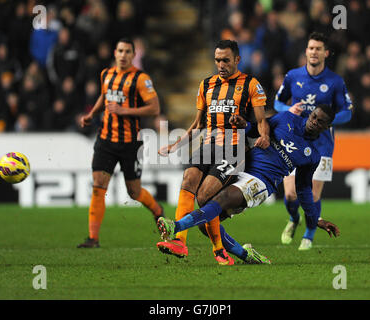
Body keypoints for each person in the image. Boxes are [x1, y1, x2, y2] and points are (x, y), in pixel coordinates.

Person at [157, 105, 341, 264]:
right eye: (314, 116)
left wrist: (316, 218)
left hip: (262, 182)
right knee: (206, 224)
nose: (314, 121)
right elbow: (257, 129)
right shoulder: (286, 118)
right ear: (310, 115)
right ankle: (246, 255)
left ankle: (176, 226)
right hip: (243, 164)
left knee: (224, 198)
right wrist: (245, 125)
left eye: (320, 121)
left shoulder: (313, 155)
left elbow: (303, 188)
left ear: (327, 126)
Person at [156, 40, 270, 264]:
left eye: (226, 60)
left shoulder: (250, 84)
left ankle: (220, 250)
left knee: (205, 197)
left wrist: (264, 136)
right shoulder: (206, 85)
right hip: (207, 145)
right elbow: (198, 124)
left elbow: (261, 120)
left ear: (237, 59)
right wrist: (175, 145)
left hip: (233, 150)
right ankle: (180, 242)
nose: (221, 64)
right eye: (217, 60)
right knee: (188, 179)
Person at [77, 38, 163, 248]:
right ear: (114, 53)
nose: (123, 55)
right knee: (99, 185)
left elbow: (154, 108)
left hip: (129, 143)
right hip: (105, 140)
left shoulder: (141, 79)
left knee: (133, 192)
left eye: (128, 52)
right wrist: (92, 114)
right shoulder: (106, 74)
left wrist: (126, 111)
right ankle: (93, 238)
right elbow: (104, 96)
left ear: (134, 55)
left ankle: (157, 210)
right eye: (120, 51)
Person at [274, 32, 352, 250]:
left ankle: (309, 233)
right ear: (306, 51)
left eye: (318, 48)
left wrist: (330, 121)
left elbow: (347, 112)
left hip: (322, 145)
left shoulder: (335, 82)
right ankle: (294, 219)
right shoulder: (292, 76)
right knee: (290, 194)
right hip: (295, 139)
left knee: (312, 195)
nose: (314, 52)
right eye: (310, 48)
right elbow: (278, 102)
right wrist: (289, 110)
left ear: (325, 53)